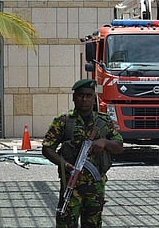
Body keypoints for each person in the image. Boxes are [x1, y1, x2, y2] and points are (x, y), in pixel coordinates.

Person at [42, 78, 123, 228]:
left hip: (95, 187)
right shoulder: (64, 121)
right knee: (66, 224)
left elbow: (119, 146)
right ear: (74, 98)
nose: (84, 99)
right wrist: (65, 165)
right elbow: (47, 148)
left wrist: (104, 142)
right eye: (80, 95)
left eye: (88, 95)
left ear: (94, 98)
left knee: (93, 224)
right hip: (71, 185)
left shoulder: (104, 122)